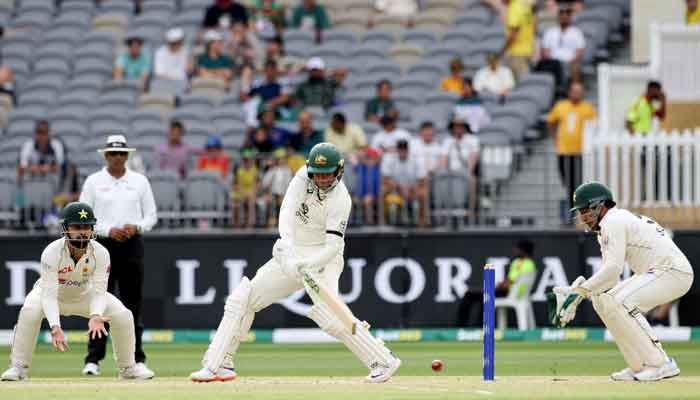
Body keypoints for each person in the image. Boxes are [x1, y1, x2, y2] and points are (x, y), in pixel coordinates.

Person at [189, 142, 401, 383]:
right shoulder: (302, 176)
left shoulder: (342, 199)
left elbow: (332, 247)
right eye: (317, 173)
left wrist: (308, 264)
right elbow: (287, 210)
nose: (321, 179)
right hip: (294, 251)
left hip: (324, 257)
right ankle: (219, 364)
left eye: (327, 173)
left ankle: (383, 360)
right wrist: (287, 248)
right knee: (243, 299)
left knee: (330, 317)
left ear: (339, 171)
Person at [552, 182, 694, 381]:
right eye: (580, 211)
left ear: (599, 205)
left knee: (621, 302)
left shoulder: (613, 221)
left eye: (585, 210)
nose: (582, 216)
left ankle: (661, 364)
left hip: (673, 272)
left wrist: (580, 293)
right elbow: (607, 277)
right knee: (603, 301)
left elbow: (612, 271)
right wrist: (579, 293)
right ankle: (638, 366)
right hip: (656, 271)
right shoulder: (606, 228)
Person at [0, 202, 154, 381]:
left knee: (123, 315)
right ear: (66, 228)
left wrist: (96, 315)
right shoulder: (51, 252)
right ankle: (18, 367)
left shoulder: (101, 253)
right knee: (29, 311)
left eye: (87, 227)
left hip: (84, 295)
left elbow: (99, 291)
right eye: (77, 227)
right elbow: (49, 294)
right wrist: (55, 327)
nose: (82, 232)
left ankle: (128, 368)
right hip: (51, 295)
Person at [79, 135, 157, 377]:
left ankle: (136, 359)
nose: (118, 158)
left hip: (132, 245)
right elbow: (84, 216)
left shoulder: (139, 181)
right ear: (106, 156)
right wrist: (106, 230)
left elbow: (151, 216)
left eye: (122, 154)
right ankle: (93, 359)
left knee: (133, 305)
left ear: (127, 156)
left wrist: (137, 227)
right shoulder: (93, 182)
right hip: (102, 246)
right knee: (99, 303)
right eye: (113, 154)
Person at [457, 239, 536, 326]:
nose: (515, 251)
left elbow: (510, 282)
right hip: (511, 293)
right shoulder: (527, 263)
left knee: (470, 294)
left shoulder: (523, 264)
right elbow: (511, 280)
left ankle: (462, 327)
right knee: (480, 296)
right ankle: (480, 326)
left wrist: (499, 286)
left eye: (517, 249)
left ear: (523, 250)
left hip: (508, 293)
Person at [546, 82, 596, 213]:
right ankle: (573, 208)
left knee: (577, 182)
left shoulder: (588, 108)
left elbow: (593, 126)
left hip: (580, 152)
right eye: (574, 91)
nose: (577, 94)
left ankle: (575, 210)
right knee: (567, 182)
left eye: (579, 91)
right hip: (563, 151)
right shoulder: (560, 106)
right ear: (569, 92)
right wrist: (554, 139)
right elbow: (550, 121)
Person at [381, 140, 428, 227]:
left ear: (408, 150)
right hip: (395, 189)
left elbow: (423, 179)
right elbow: (385, 179)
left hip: (413, 189)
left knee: (423, 193)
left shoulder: (417, 159)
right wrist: (399, 187)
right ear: (397, 150)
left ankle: (421, 222)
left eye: (404, 149)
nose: (402, 151)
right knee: (383, 189)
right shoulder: (390, 159)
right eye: (400, 149)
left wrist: (412, 189)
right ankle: (384, 222)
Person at [540, 6, 585, 86]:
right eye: (561, 13)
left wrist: (569, 62)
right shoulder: (550, 31)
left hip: (570, 61)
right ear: (558, 16)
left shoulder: (576, 32)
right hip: (553, 62)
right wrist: (553, 61)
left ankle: (574, 90)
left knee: (575, 67)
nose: (564, 16)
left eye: (567, 13)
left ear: (570, 16)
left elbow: (579, 53)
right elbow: (545, 51)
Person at [500, 0, 535, 81]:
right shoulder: (524, 5)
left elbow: (513, 35)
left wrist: (501, 52)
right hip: (528, 52)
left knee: (521, 87)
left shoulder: (514, 8)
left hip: (517, 54)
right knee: (526, 83)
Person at [153, 27, 192, 95]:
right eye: (177, 42)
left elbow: (188, 70)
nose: (180, 44)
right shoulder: (160, 52)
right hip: (165, 82)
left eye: (180, 41)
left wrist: (190, 60)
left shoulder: (185, 50)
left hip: (181, 82)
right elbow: (159, 74)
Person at [231, 148, 260, 228]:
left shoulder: (255, 170)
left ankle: (250, 224)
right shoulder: (239, 170)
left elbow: (256, 184)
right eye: (245, 160)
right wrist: (242, 192)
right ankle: (237, 224)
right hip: (241, 191)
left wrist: (252, 192)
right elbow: (237, 184)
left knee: (250, 200)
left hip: (251, 192)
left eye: (248, 159)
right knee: (236, 202)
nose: (247, 162)